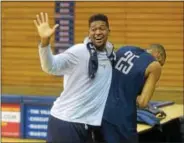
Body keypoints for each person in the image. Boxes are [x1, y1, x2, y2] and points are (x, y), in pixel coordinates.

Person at [33, 12, 115, 143]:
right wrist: (45, 41)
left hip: (87, 125)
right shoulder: (79, 51)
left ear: (108, 31)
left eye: (102, 28)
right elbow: (50, 66)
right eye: (94, 29)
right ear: (89, 32)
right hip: (66, 122)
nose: (98, 32)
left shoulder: (111, 57)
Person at [99, 44, 166, 143]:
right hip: (123, 118)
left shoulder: (124, 49)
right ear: (159, 55)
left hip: (101, 112)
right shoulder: (155, 65)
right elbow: (143, 103)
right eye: (161, 63)